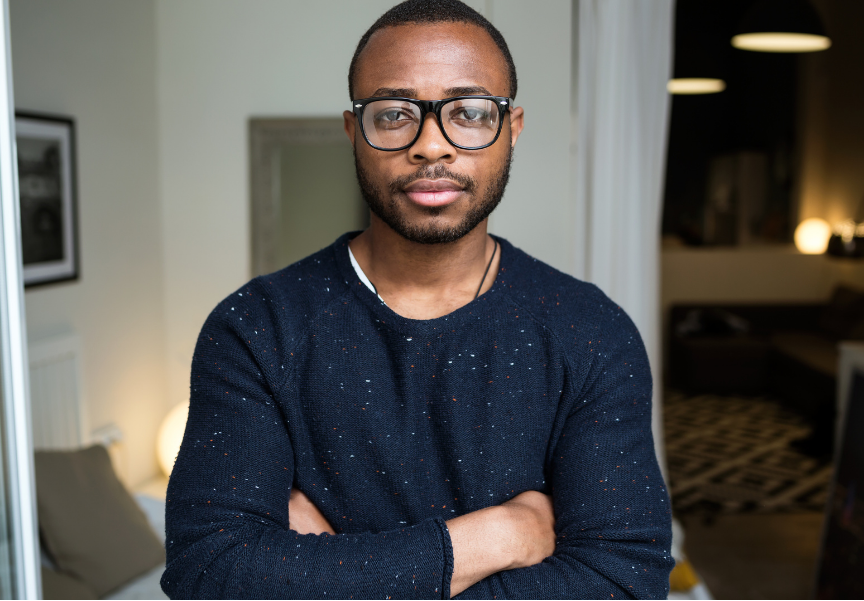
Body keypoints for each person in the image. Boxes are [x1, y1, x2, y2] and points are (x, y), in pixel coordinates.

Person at [161, 1, 673, 598]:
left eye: (469, 112)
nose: (431, 145)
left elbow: (623, 582)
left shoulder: (591, 332)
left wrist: (328, 571)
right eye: (394, 114)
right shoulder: (255, 327)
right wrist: (497, 536)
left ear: (512, 128)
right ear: (354, 133)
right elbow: (209, 572)